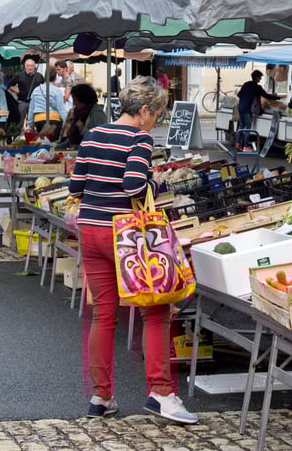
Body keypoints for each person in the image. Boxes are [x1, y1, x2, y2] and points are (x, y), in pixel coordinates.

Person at [69, 76, 198, 424]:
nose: (155, 122)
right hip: (126, 234)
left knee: (103, 315)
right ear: (143, 111)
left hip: (90, 230)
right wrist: (156, 181)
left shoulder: (93, 135)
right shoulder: (139, 139)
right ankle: (161, 393)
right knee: (156, 310)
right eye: (156, 115)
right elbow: (133, 185)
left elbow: (75, 185)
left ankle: (101, 396)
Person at [236, 69, 281, 151]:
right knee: (248, 128)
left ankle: (238, 144)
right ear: (256, 78)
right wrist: (278, 98)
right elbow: (266, 96)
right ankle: (245, 146)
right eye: (259, 78)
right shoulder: (257, 87)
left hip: (240, 108)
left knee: (241, 126)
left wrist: (246, 98)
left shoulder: (246, 84)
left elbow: (239, 95)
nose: (260, 79)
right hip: (247, 109)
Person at [56, 83, 107, 149]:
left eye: (76, 100)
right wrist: (59, 147)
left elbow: (100, 136)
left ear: (84, 100)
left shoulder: (97, 114)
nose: (74, 103)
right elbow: (72, 138)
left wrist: (83, 129)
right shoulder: (79, 113)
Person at [29, 64, 68, 137]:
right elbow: (61, 109)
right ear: (55, 77)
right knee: (53, 142)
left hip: (39, 119)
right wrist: (66, 122)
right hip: (53, 119)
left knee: (42, 141)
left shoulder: (36, 90)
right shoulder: (57, 91)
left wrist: (30, 124)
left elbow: (31, 108)